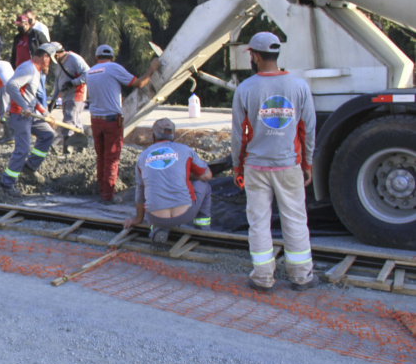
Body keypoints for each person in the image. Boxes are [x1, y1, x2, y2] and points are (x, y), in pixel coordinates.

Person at [232, 31, 317, 293]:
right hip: (289, 164)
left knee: (258, 221)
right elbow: (307, 129)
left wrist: (237, 167)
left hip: (255, 167)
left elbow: (238, 135)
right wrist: (307, 165)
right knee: (295, 219)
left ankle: (263, 278)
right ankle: (301, 277)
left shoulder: (245, 89)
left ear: (255, 56)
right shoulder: (299, 86)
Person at [85, 44, 160, 203]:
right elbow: (139, 83)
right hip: (111, 121)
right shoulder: (113, 67)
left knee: (102, 158)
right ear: (112, 58)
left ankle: (102, 190)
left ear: (96, 58)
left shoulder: (90, 72)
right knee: (112, 159)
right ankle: (108, 196)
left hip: (96, 120)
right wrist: (151, 69)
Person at [124, 118, 213, 247]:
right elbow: (207, 176)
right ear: (173, 135)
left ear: (153, 136)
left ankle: (158, 230)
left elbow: (140, 191)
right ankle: (202, 231)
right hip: (185, 214)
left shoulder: (142, 157)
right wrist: (186, 175)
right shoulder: (185, 151)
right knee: (204, 186)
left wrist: (138, 219)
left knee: (151, 191)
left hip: (156, 218)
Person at [0, 43, 59, 196]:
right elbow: (11, 86)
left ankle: (30, 168)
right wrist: (24, 106)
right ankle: (7, 183)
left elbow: (31, 97)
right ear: (44, 57)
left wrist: (44, 112)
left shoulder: (36, 71)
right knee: (23, 149)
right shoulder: (28, 68)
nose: (50, 63)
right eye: (50, 59)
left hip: (30, 114)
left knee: (48, 135)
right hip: (20, 115)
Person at [49, 44, 90, 146]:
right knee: (75, 121)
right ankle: (80, 146)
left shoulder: (75, 59)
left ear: (57, 53)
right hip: (65, 95)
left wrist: (73, 82)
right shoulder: (58, 63)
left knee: (68, 120)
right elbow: (58, 80)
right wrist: (53, 100)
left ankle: (65, 148)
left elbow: (88, 74)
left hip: (76, 94)